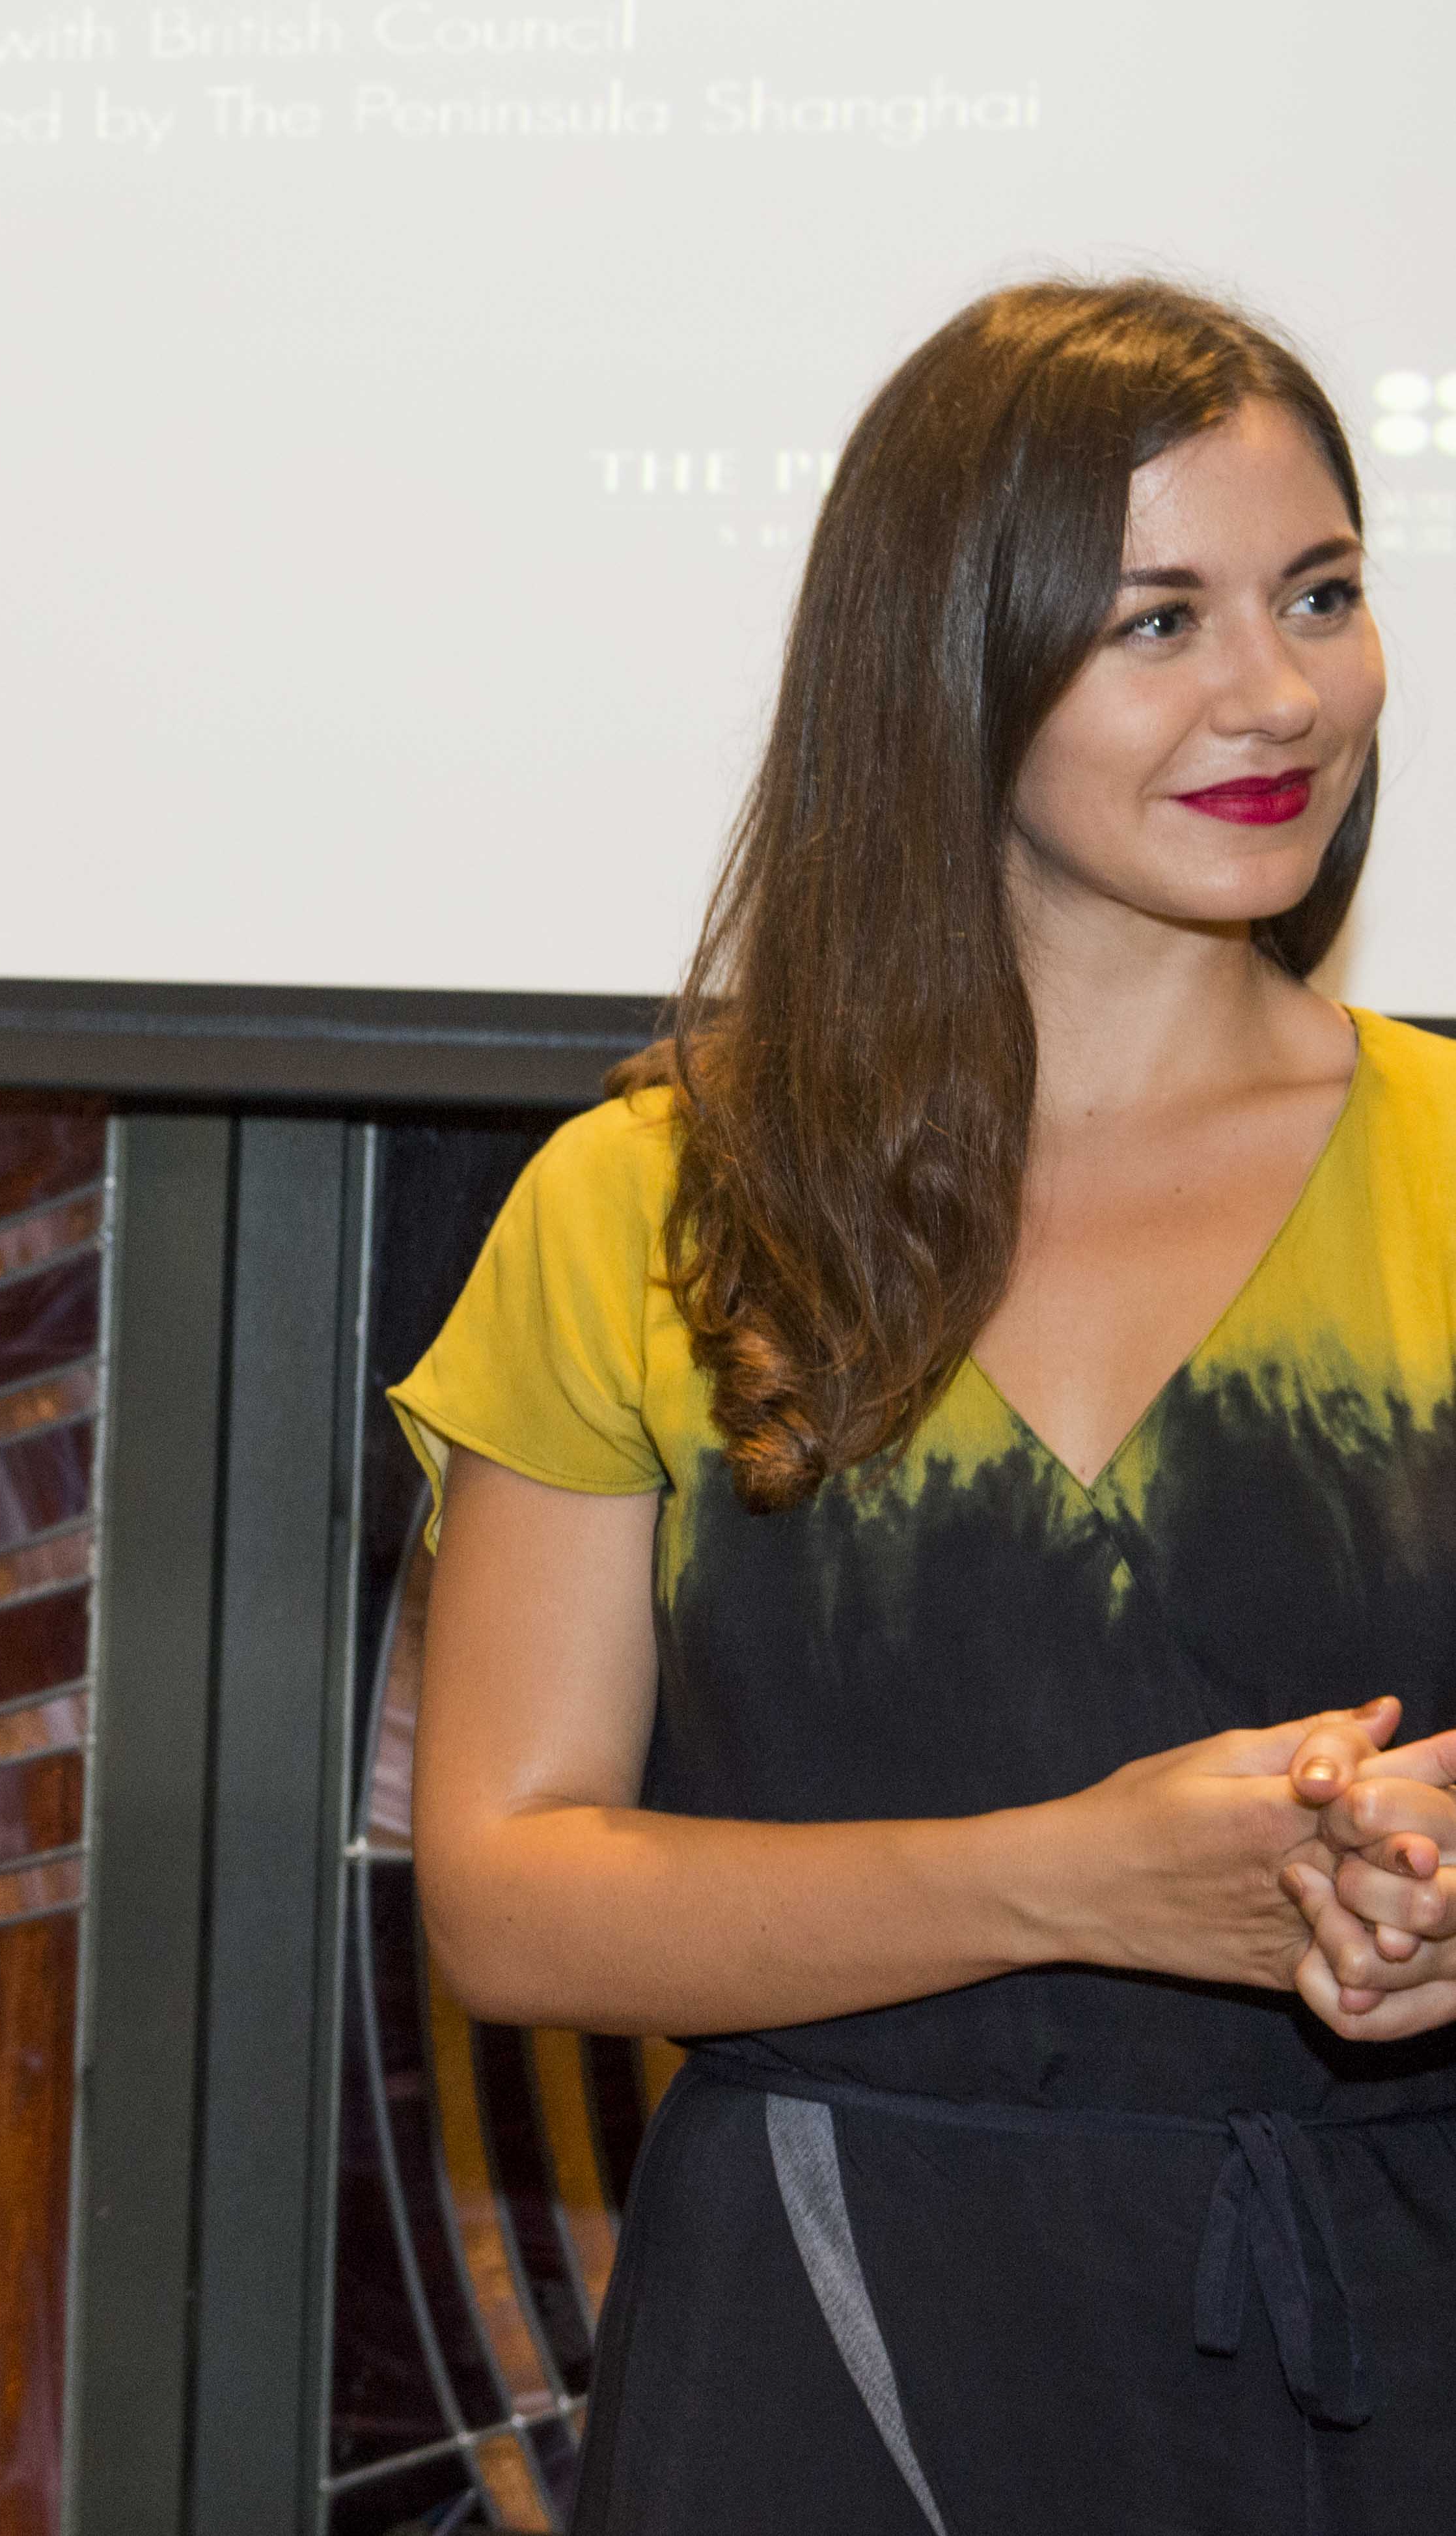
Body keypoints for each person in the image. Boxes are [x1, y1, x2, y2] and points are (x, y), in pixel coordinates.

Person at [395, 279, 1456, 2533]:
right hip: (820, 2354)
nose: (1277, 694)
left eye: (1318, 595)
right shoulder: (648, 1203)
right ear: (944, 669)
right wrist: (1069, 1884)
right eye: (1154, 621)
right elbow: (507, 1901)